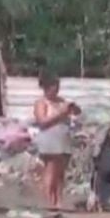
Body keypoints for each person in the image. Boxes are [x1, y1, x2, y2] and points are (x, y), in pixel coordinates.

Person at [34, 74, 80, 210]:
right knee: (51, 171)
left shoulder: (61, 101)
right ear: (46, 88)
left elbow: (77, 113)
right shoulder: (41, 103)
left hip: (63, 139)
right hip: (50, 140)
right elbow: (42, 121)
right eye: (54, 87)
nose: (57, 90)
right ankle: (49, 202)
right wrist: (61, 113)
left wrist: (73, 107)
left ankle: (58, 201)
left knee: (60, 174)